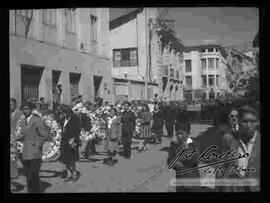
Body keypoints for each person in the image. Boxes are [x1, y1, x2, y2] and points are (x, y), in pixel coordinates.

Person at [221, 106, 260, 192]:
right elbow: (224, 165)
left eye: (253, 121)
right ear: (239, 122)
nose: (249, 125)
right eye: (245, 121)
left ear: (258, 123)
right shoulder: (231, 140)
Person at [13, 102, 49, 193]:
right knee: (28, 174)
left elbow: (44, 135)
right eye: (24, 109)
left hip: (35, 151)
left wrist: (37, 145)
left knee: (34, 174)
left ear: (31, 109)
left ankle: (35, 191)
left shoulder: (37, 120)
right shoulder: (22, 121)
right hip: (26, 151)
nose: (25, 111)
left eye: (27, 109)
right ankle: (30, 191)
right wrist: (14, 138)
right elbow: (23, 134)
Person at [167, 123, 200, 192]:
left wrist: (181, 158)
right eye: (177, 133)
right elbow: (169, 161)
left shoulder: (195, 144)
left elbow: (196, 160)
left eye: (182, 133)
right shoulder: (174, 145)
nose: (179, 136)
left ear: (188, 133)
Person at [58, 105, 81, 182]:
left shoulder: (75, 119)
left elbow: (77, 131)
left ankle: (74, 173)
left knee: (72, 159)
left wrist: (74, 141)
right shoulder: (63, 119)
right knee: (66, 159)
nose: (62, 114)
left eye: (64, 113)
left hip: (72, 141)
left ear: (68, 112)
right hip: (64, 141)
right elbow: (62, 129)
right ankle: (68, 174)